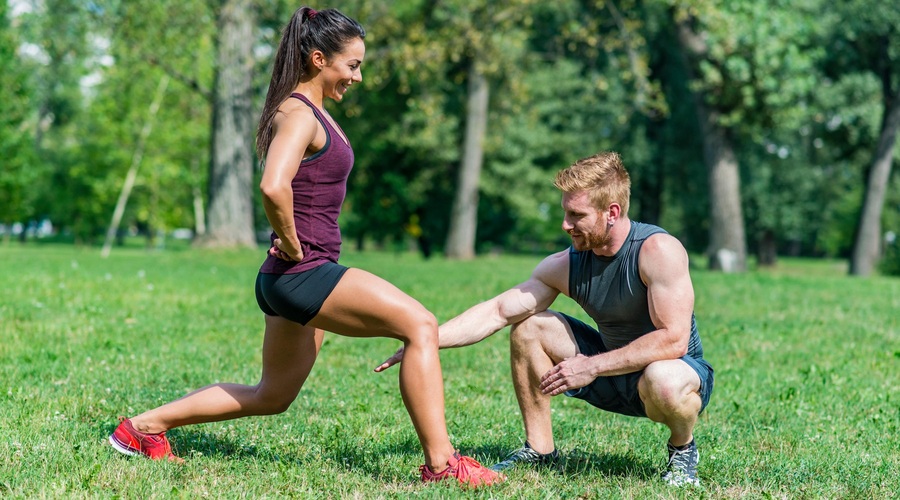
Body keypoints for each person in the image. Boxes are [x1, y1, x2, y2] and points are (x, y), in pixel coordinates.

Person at [108, 6, 503, 488]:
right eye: (352, 65)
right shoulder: (298, 113)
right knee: (420, 325)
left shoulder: (309, 112)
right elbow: (273, 186)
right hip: (303, 272)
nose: (357, 76)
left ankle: (141, 429)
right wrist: (294, 244)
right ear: (318, 59)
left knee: (273, 394)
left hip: (285, 279)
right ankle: (443, 466)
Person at [376, 152, 714, 486]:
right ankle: (540, 449)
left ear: (611, 212)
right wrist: (426, 341)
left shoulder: (657, 251)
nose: (565, 224)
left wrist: (590, 366)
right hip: (612, 374)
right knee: (530, 326)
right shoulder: (568, 264)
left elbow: (673, 339)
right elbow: (497, 311)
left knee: (663, 378)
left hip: (672, 373)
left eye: (576, 214)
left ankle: (682, 449)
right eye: (564, 212)